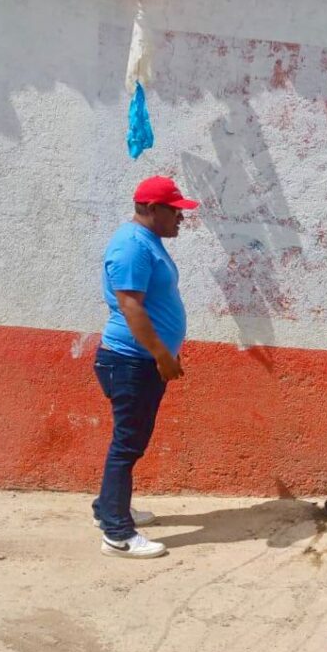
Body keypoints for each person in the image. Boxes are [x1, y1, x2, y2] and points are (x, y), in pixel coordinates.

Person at [92, 176, 199, 559]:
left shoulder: (146, 241)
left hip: (140, 360)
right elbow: (130, 305)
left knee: (128, 442)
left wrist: (165, 351)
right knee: (127, 445)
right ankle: (117, 534)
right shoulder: (132, 246)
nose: (181, 218)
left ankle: (110, 508)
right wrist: (161, 354)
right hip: (131, 362)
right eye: (176, 211)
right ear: (153, 209)